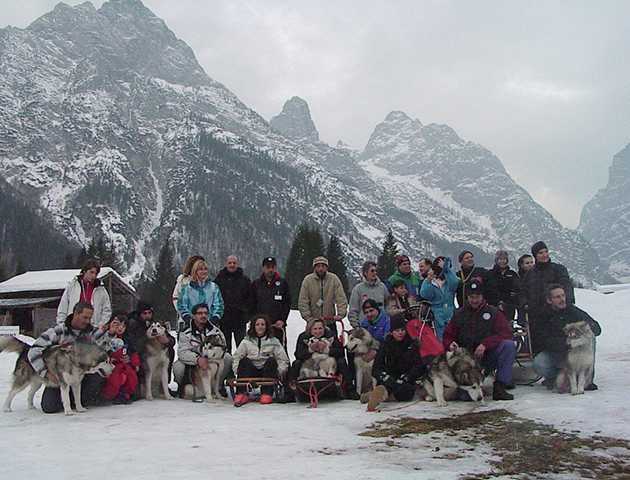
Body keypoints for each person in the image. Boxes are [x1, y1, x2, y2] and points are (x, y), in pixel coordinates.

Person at [28, 301, 113, 413]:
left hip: (83, 375)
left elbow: (106, 346)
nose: (87, 321)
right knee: (49, 407)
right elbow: (33, 351)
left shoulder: (92, 331)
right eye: (85, 317)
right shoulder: (59, 331)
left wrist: (112, 336)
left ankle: (81, 400)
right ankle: (67, 399)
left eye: (89, 318)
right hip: (60, 374)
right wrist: (46, 373)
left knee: (98, 372)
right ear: (75, 314)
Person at [442, 279, 516, 401]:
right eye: (471, 297)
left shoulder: (493, 313)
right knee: (465, 398)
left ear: (483, 296)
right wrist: (450, 343)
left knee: (508, 345)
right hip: (466, 363)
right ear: (467, 297)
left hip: (487, 357)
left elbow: (506, 334)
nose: (475, 300)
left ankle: (501, 386)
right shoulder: (459, 314)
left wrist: (485, 344)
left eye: (477, 296)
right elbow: (447, 336)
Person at [531, 284, 601, 390]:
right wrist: (565, 342)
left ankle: (587, 379)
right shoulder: (542, 316)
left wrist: (585, 330)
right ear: (549, 301)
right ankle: (554, 379)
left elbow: (596, 329)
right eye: (557, 297)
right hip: (557, 354)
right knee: (540, 363)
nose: (562, 299)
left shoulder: (573, 311)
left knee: (590, 336)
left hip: (577, 354)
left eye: (563, 295)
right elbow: (540, 340)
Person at [363, 313, 424, 411]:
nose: (400, 333)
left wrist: (408, 376)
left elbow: (419, 366)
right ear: (391, 332)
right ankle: (378, 395)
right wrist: (384, 377)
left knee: (406, 393)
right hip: (388, 379)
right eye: (397, 330)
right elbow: (376, 368)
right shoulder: (385, 345)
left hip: (405, 380)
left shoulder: (412, 344)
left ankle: (372, 396)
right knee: (388, 386)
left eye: (402, 330)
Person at [285, 317, 356, 401]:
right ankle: (289, 393)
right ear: (310, 329)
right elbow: (298, 355)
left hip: (327, 363)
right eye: (315, 329)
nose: (318, 331)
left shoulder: (330, 335)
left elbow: (340, 352)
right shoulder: (303, 337)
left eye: (320, 328)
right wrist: (310, 350)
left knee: (341, 362)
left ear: (324, 328)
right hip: (310, 363)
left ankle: (349, 390)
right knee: (296, 363)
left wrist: (327, 350)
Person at [173, 302, 232, 398]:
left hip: (213, 360)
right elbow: (183, 352)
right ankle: (183, 388)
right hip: (193, 364)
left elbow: (223, 347)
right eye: (200, 313)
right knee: (178, 366)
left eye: (205, 313)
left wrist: (213, 358)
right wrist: (197, 359)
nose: (203, 316)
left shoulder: (216, 331)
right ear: (193, 316)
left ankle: (217, 387)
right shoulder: (186, 333)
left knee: (228, 358)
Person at [232, 314, 290, 405]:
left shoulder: (273, 342)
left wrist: (278, 371)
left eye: (263, 325)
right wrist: (237, 369)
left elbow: (283, 360)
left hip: (266, 370)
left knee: (271, 361)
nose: (260, 327)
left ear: (266, 326)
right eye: (257, 325)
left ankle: (266, 393)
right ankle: (241, 392)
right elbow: (237, 356)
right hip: (251, 369)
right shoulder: (246, 341)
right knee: (244, 361)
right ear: (253, 326)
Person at [126, 300, 176, 400]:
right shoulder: (133, 324)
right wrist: (147, 337)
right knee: (137, 395)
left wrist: (167, 340)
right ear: (139, 313)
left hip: (156, 353)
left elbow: (172, 340)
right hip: (136, 359)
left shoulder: (154, 324)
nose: (148, 315)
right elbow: (135, 346)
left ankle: (164, 386)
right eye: (145, 313)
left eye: (150, 313)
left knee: (170, 350)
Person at [520, 241, 575, 327]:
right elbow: (523, 292)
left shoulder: (558, 269)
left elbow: (567, 287)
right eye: (541, 253)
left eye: (546, 252)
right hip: (535, 316)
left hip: (555, 314)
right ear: (535, 256)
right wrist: (525, 305)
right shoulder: (530, 274)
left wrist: (566, 304)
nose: (544, 255)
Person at [298, 256, 348, 336]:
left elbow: (341, 298)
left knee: (333, 344)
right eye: (318, 266)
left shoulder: (333, 279)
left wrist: (341, 314)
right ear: (314, 267)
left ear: (326, 267)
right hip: (313, 323)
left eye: (323, 266)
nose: (321, 268)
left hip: (329, 321)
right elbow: (303, 300)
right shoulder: (308, 280)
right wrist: (307, 316)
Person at [213, 255, 253, 353]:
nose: (232, 265)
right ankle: (227, 368)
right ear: (225, 264)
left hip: (240, 320)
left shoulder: (245, 280)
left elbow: (251, 299)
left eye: (234, 263)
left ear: (238, 264)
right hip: (224, 320)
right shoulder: (219, 280)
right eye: (230, 263)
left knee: (242, 348)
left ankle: (241, 367)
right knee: (225, 349)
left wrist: (247, 315)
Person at [56, 259, 111, 327]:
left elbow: (107, 310)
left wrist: (99, 326)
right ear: (84, 271)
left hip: (92, 327)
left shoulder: (101, 289)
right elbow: (63, 306)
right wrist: (62, 324)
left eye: (96, 274)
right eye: (91, 272)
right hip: (73, 326)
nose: (94, 276)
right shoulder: (72, 286)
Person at [250, 257, 291, 347]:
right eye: (268, 267)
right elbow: (251, 304)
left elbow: (287, 304)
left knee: (280, 351)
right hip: (260, 327)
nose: (270, 270)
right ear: (263, 268)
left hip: (277, 326)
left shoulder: (282, 283)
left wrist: (282, 320)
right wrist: (255, 320)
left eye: (272, 267)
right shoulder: (256, 284)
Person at [100, 313, 140, 405]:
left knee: (132, 378)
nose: (120, 328)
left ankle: (123, 394)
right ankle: (108, 396)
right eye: (118, 325)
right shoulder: (108, 337)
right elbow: (103, 349)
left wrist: (135, 363)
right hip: (113, 365)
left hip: (124, 365)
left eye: (123, 326)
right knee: (115, 380)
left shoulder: (127, 339)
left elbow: (133, 352)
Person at [419, 256, 460, 341]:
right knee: (439, 334)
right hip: (436, 310)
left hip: (450, 308)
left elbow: (455, 282)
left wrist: (447, 270)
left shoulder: (449, 279)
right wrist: (428, 281)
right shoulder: (432, 280)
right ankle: (442, 352)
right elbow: (426, 295)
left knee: (452, 332)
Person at [177, 259, 224, 328]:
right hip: (191, 325)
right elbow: (182, 305)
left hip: (210, 324)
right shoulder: (187, 288)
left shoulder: (214, 287)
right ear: (195, 271)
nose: (203, 272)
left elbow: (219, 305)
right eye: (201, 269)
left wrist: (215, 319)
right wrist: (187, 318)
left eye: (205, 269)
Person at [348, 261, 389, 328]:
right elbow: (353, 309)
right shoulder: (358, 289)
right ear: (365, 273)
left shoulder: (382, 287)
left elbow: (388, 302)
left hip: (382, 327)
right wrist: (356, 327)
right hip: (365, 327)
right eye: (372, 271)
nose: (374, 273)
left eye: (376, 271)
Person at [172, 255, 205, 331]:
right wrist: (184, 314)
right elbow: (176, 298)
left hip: (203, 320)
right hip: (185, 320)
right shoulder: (183, 280)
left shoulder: (206, 282)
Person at [485, 250, 519, 321]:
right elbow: (488, 290)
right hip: (494, 306)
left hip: (509, 306)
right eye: (500, 259)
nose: (502, 261)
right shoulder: (490, 274)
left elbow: (516, 288)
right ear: (496, 260)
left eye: (504, 259)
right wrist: (496, 301)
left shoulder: (512, 274)